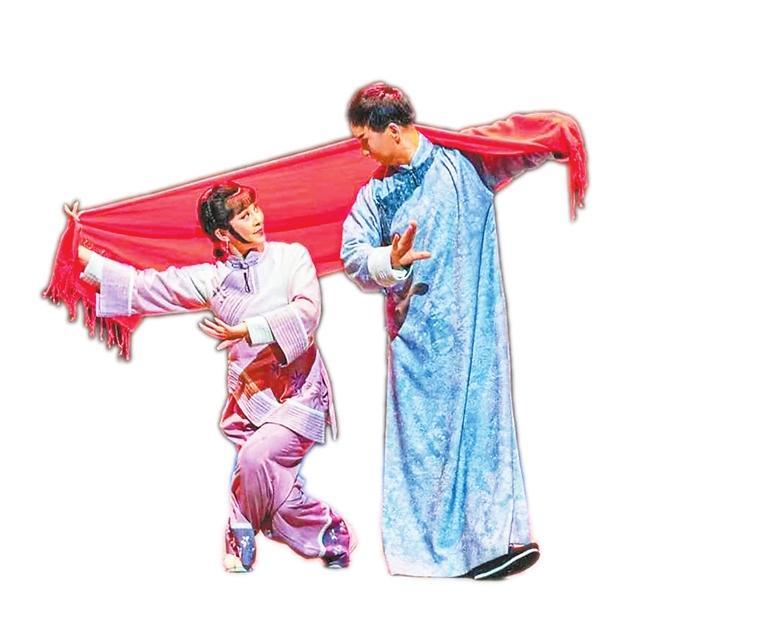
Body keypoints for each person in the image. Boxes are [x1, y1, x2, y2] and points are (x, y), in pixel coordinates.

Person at [73, 182, 352, 572]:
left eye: (255, 209)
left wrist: (249, 330)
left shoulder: (292, 257)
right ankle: (328, 533)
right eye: (244, 215)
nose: (257, 218)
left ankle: (240, 528)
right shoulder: (214, 280)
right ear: (223, 232)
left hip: (300, 394)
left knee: (255, 459)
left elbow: (307, 313)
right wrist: (78, 251)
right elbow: (147, 287)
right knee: (273, 487)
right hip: (251, 399)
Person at [341, 83, 549, 579]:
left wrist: (554, 141)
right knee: (424, 452)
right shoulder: (376, 194)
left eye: (365, 139)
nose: (362, 150)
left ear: (393, 131)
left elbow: (517, 150)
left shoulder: (463, 165)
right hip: (417, 346)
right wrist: (387, 260)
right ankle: (431, 555)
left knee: (483, 436)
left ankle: (494, 543)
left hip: (476, 335)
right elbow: (353, 253)